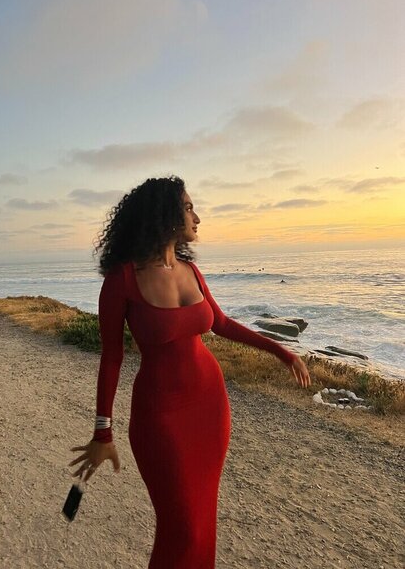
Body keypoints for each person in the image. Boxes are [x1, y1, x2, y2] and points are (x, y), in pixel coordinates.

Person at [69, 176, 311, 568]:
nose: (197, 217)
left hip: (210, 407)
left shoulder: (191, 271)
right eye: (188, 208)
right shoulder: (123, 279)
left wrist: (282, 353)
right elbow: (111, 357)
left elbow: (222, 323)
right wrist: (102, 432)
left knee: (202, 522)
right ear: (164, 213)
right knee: (181, 529)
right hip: (161, 416)